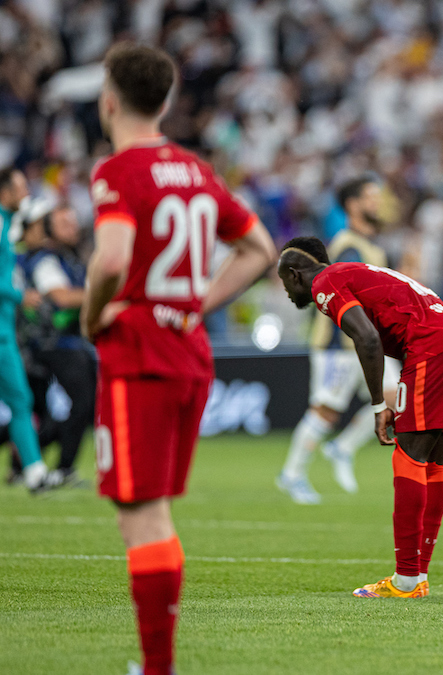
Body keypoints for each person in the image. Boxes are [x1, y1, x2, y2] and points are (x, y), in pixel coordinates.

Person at [82, 43, 275, 675]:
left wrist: (93, 315)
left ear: (109, 99)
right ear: (164, 102)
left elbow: (112, 258)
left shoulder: (117, 172)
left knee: (142, 514)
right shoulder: (194, 170)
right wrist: (196, 304)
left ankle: (157, 666)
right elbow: (257, 248)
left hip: (139, 352)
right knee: (154, 509)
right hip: (188, 351)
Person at [277, 236, 443, 598]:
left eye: (284, 283)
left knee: (408, 457)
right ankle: (417, 576)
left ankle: (406, 579)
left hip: (435, 346)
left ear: (295, 275)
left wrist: (379, 406)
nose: (286, 293)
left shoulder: (325, 282)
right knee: (434, 463)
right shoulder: (354, 271)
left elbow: (368, 339)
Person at [277, 175, 400, 504]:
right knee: (326, 412)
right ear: (353, 205)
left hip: (369, 343)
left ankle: (341, 448)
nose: (378, 203)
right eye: (371, 197)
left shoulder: (372, 246)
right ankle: (291, 474)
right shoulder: (347, 245)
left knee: (397, 399)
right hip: (340, 344)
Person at [16, 202, 96, 488]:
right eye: (64, 223)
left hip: (69, 342)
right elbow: (61, 297)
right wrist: (101, 291)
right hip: (51, 344)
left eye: (73, 222)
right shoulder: (46, 260)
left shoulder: (70, 258)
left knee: (61, 410)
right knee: (79, 403)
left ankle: (24, 463)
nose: (72, 228)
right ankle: (56, 467)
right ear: (49, 229)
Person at [0, 167, 48, 492]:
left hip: (4, 329)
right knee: (20, 399)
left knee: (20, 398)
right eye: (20, 187)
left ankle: (34, 471)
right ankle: (34, 471)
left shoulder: (7, 224)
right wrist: (20, 295)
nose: (25, 192)